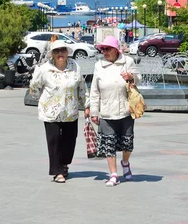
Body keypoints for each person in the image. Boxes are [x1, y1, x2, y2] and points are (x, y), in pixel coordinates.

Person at [28, 39, 88, 184]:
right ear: (52, 54)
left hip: (70, 111)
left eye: (63, 50)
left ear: (67, 52)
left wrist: (86, 105)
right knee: (54, 141)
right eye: (56, 51)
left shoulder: (75, 66)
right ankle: (57, 172)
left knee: (69, 141)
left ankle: (64, 164)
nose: (60, 53)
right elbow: (34, 88)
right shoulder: (44, 69)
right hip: (51, 113)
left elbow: (81, 87)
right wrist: (44, 101)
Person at [90, 35, 141, 187]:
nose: (104, 52)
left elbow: (139, 77)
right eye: (102, 49)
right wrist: (94, 111)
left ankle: (125, 162)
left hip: (125, 110)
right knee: (108, 143)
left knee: (127, 143)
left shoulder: (128, 62)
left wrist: (131, 77)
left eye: (108, 49)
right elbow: (94, 90)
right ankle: (113, 174)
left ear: (116, 50)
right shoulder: (99, 65)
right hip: (106, 111)